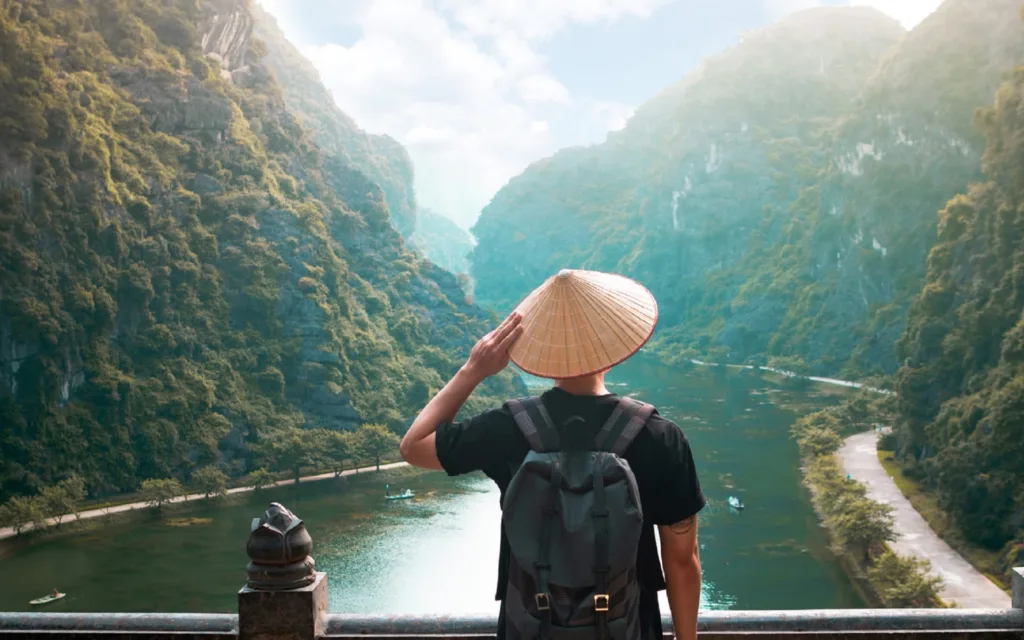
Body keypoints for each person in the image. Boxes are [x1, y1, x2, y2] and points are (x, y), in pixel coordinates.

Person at [401, 269, 705, 640]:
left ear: (544, 352)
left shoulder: (508, 427)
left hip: (531, 627)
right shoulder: (660, 437)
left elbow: (414, 447)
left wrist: (474, 369)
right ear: (612, 347)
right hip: (627, 627)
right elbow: (681, 561)